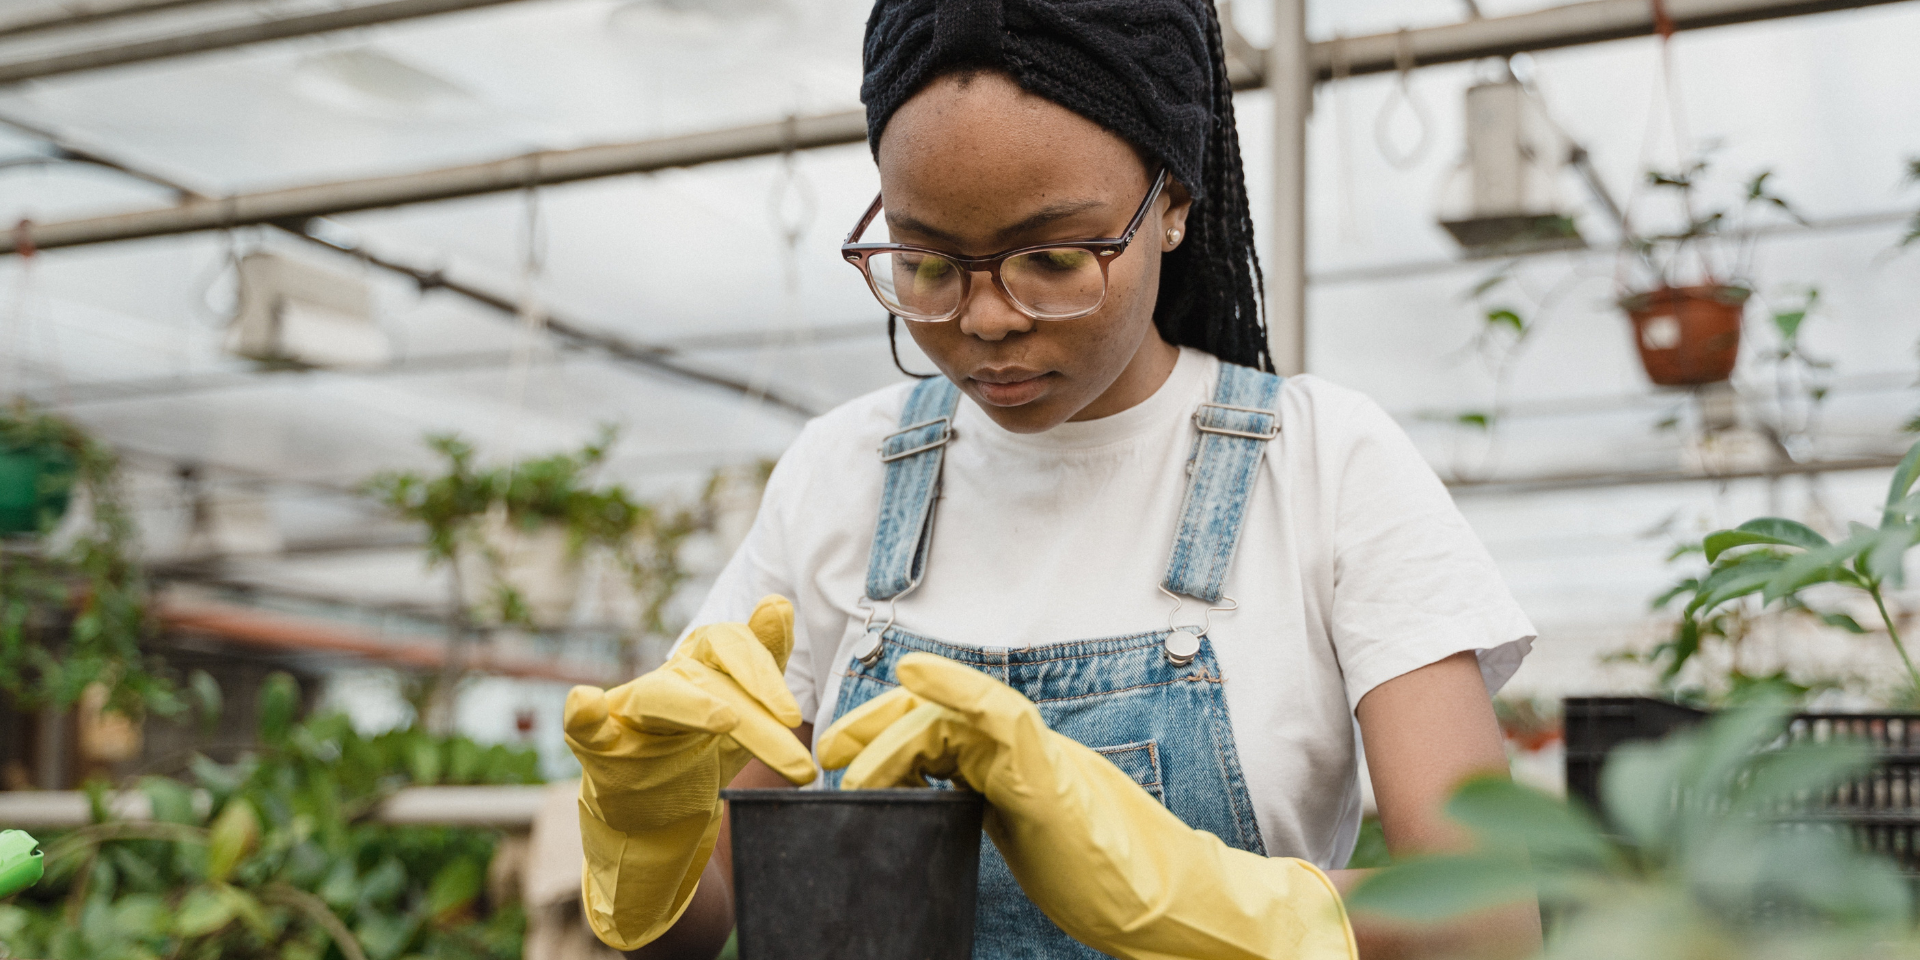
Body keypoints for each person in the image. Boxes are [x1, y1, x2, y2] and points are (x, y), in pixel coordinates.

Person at [564, 0, 1542, 957]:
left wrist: (1190, 896)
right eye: (928, 264)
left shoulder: (1324, 463)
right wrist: (651, 846)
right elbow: (708, 919)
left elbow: (1488, 922)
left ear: (1172, 204)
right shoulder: (841, 472)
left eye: (1056, 257)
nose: (987, 319)